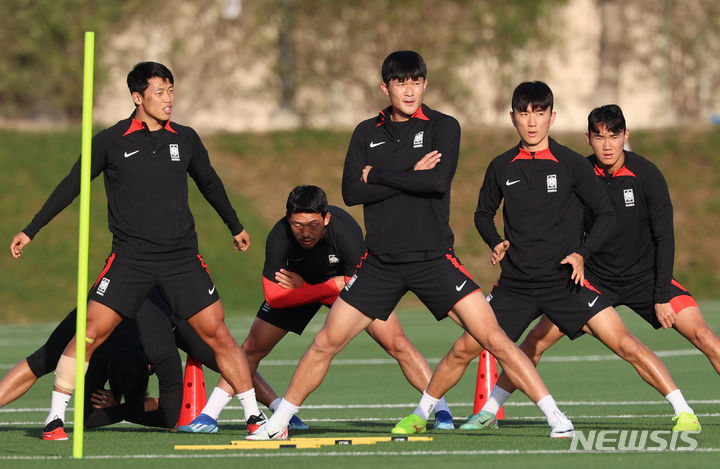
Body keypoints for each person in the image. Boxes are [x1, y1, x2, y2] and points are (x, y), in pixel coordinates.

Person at [247, 51, 573, 441]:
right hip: (379, 263)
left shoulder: (444, 126)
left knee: (494, 338)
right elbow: (352, 191)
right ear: (386, 87)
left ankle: (555, 416)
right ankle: (279, 422)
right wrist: (409, 173)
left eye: (416, 82)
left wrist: (380, 175)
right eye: (401, 83)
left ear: (425, 84)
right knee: (325, 343)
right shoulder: (366, 132)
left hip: (434, 258)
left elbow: (436, 183)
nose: (409, 90)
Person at [421, 82, 700, 434]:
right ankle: (459, 411)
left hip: (578, 282)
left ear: (552, 117)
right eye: (524, 114)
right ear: (513, 118)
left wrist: (581, 254)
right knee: (493, 346)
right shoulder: (502, 166)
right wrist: (496, 241)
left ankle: (683, 410)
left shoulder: (574, 165)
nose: (532, 122)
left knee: (627, 343)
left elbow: (609, 217)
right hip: (523, 284)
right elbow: (482, 214)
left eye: (540, 113)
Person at [9, 62, 263, 440]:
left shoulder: (186, 138)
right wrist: (32, 229)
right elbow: (71, 184)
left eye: (171, 91)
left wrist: (235, 225)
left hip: (181, 259)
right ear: (137, 97)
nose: (168, 99)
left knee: (219, 335)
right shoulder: (111, 141)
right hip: (130, 259)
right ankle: (55, 419)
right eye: (159, 92)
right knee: (90, 332)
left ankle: (255, 419)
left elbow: (210, 183)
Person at [179, 185, 455, 433]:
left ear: (327, 218)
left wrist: (327, 286)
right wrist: (321, 287)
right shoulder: (279, 235)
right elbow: (274, 297)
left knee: (397, 343)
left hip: (350, 292)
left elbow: (360, 282)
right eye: (298, 224)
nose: (306, 232)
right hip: (300, 293)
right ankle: (208, 416)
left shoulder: (345, 229)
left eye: (313, 224)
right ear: (288, 220)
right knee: (251, 348)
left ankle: (441, 411)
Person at [0, 289, 223, 438]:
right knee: (43, 360)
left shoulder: (161, 348)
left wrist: (124, 407)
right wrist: (138, 405)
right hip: (105, 300)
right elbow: (89, 418)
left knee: (226, 360)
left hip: (161, 302)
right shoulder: (98, 350)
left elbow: (170, 416)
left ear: (149, 367)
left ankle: (254, 411)